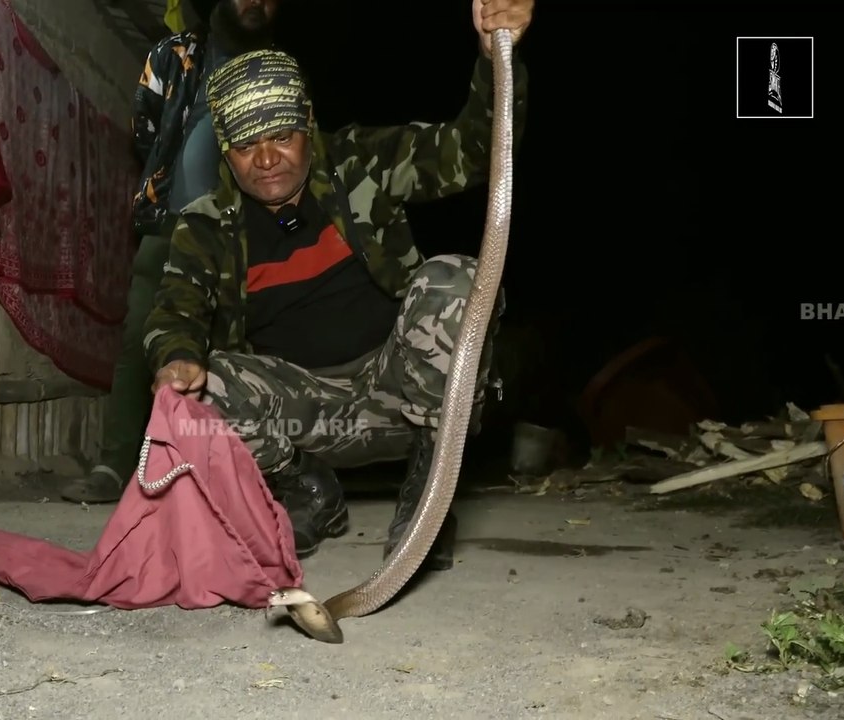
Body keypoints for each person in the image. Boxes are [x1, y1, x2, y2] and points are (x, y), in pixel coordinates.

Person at [143, 0, 534, 559]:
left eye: (281, 135)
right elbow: (173, 313)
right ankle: (302, 489)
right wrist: (175, 356)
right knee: (202, 387)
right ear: (225, 153)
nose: (267, 158)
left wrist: (496, 56)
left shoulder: (360, 164)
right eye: (247, 144)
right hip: (302, 412)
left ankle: (428, 493)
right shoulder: (206, 225)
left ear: (307, 123)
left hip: (400, 393)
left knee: (455, 280)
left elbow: (475, 150)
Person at [61, 0, 284, 504]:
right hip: (170, 222)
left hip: (240, 231)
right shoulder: (173, 56)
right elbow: (146, 131)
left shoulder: (277, 71)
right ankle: (114, 466)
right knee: (140, 337)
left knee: (237, 343)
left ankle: (231, 475)